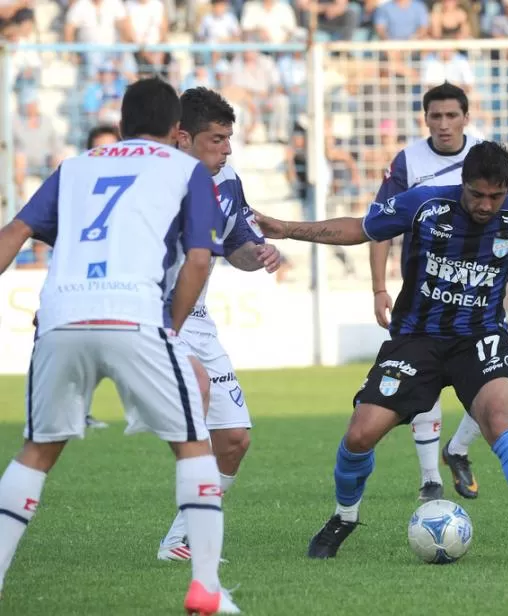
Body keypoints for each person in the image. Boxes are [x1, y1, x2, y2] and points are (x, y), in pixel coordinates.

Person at [254, 141, 508, 559]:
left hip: (479, 337)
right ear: (462, 183)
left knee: (498, 416)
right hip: (416, 339)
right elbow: (360, 228)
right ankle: (344, 516)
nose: (486, 205)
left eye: (495, 196)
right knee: (360, 434)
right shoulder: (425, 205)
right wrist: (287, 229)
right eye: (477, 194)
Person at [0, 78, 240, 614]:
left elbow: (15, 231)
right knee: (193, 443)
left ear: (124, 122)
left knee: (37, 451)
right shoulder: (186, 170)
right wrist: (172, 330)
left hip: (61, 316)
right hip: (133, 312)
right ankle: (205, 586)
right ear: (178, 130)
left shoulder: (77, 166)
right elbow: (198, 261)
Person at [371, 82, 508, 503]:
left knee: (495, 381)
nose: (443, 124)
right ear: (425, 119)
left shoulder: (486, 156)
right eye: (435, 116)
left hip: (481, 291)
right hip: (426, 291)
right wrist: (379, 286)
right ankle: (429, 479)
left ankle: (457, 449)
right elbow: (379, 226)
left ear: (465, 117)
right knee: (427, 381)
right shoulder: (407, 162)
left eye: (451, 116)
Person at [155, 87, 282, 562]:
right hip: (155, 315)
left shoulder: (227, 178)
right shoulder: (157, 182)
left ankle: (179, 539)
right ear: (183, 137)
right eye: (217, 139)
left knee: (234, 439)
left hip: (200, 321)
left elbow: (238, 247)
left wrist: (260, 253)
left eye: (229, 139)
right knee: (198, 387)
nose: (227, 149)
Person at [80, 124, 124, 431]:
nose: (106, 156)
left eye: (112, 149)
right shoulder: (76, 190)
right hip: (84, 280)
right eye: (99, 150)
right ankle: (75, 412)